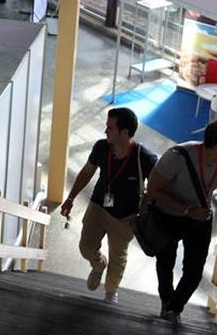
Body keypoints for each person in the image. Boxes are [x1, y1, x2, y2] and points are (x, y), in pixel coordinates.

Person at [146, 119, 217, 324]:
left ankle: (174, 309)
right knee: (166, 263)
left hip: (201, 219)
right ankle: (166, 299)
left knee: (195, 270)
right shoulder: (176, 157)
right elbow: (153, 189)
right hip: (169, 216)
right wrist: (187, 210)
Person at [60, 108, 158, 305]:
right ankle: (98, 265)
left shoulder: (144, 158)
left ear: (125, 132)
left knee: (118, 257)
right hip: (98, 207)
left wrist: (139, 214)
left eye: (110, 127)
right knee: (86, 248)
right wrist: (70, 198)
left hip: (125, 217)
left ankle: (110, 293)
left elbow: (156, 191)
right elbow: (87, 172)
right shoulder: (101, 147)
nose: (106, 131)